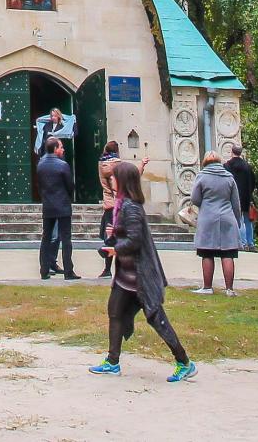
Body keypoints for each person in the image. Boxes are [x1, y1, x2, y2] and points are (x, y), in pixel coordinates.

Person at [89, 159, 196, 382]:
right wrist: (114, 232)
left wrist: (114, 249)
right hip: (126, 277)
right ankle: (112, 361)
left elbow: (135, 241)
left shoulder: (132, 207)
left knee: (156, 318)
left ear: (124, 180)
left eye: (114, 176)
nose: (111, 180)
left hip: (140, 276)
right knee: (115, 312)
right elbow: (126, 233)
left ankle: (184, 362)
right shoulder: (123, 205)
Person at [188, 150, 242, 296]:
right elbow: (236, 203)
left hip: (208, 218)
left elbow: (195, 199)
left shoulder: (202, 176)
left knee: (207, 253)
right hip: (226, 218)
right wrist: (237, 221)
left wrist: (205, 204)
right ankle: (229, 289)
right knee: (228, 253)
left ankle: (207, 287)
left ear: (205, 162)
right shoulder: (229, 177)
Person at [36, 137, 78, 279]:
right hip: (63, 205)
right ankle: (68, 271)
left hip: (48, 205)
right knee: (66, 239)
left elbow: (39, 186)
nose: (63, 149)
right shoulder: (63, 165)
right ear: (55, 149)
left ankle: (44, 269)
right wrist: (67, 197)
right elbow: (70, 186)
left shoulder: (40, 164)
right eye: (61, 147)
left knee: (46, 237)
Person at [223, 143, 258, 251]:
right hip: (247, 197)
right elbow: (253, 182)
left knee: (239, 220)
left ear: (231, 152)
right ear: (240, 152)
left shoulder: (227, 166)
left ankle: (242, 243)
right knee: (248, 220)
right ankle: (250, 243)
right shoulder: (247, 166)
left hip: (233, 197)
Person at [96, 140, 122, 277]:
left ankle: (107, 269)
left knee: (110, 234)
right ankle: (117, 268)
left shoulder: (102, 164)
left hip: (108, 203)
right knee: (118, 236)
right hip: (117, 204)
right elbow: (116, 184)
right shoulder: (117, 165)